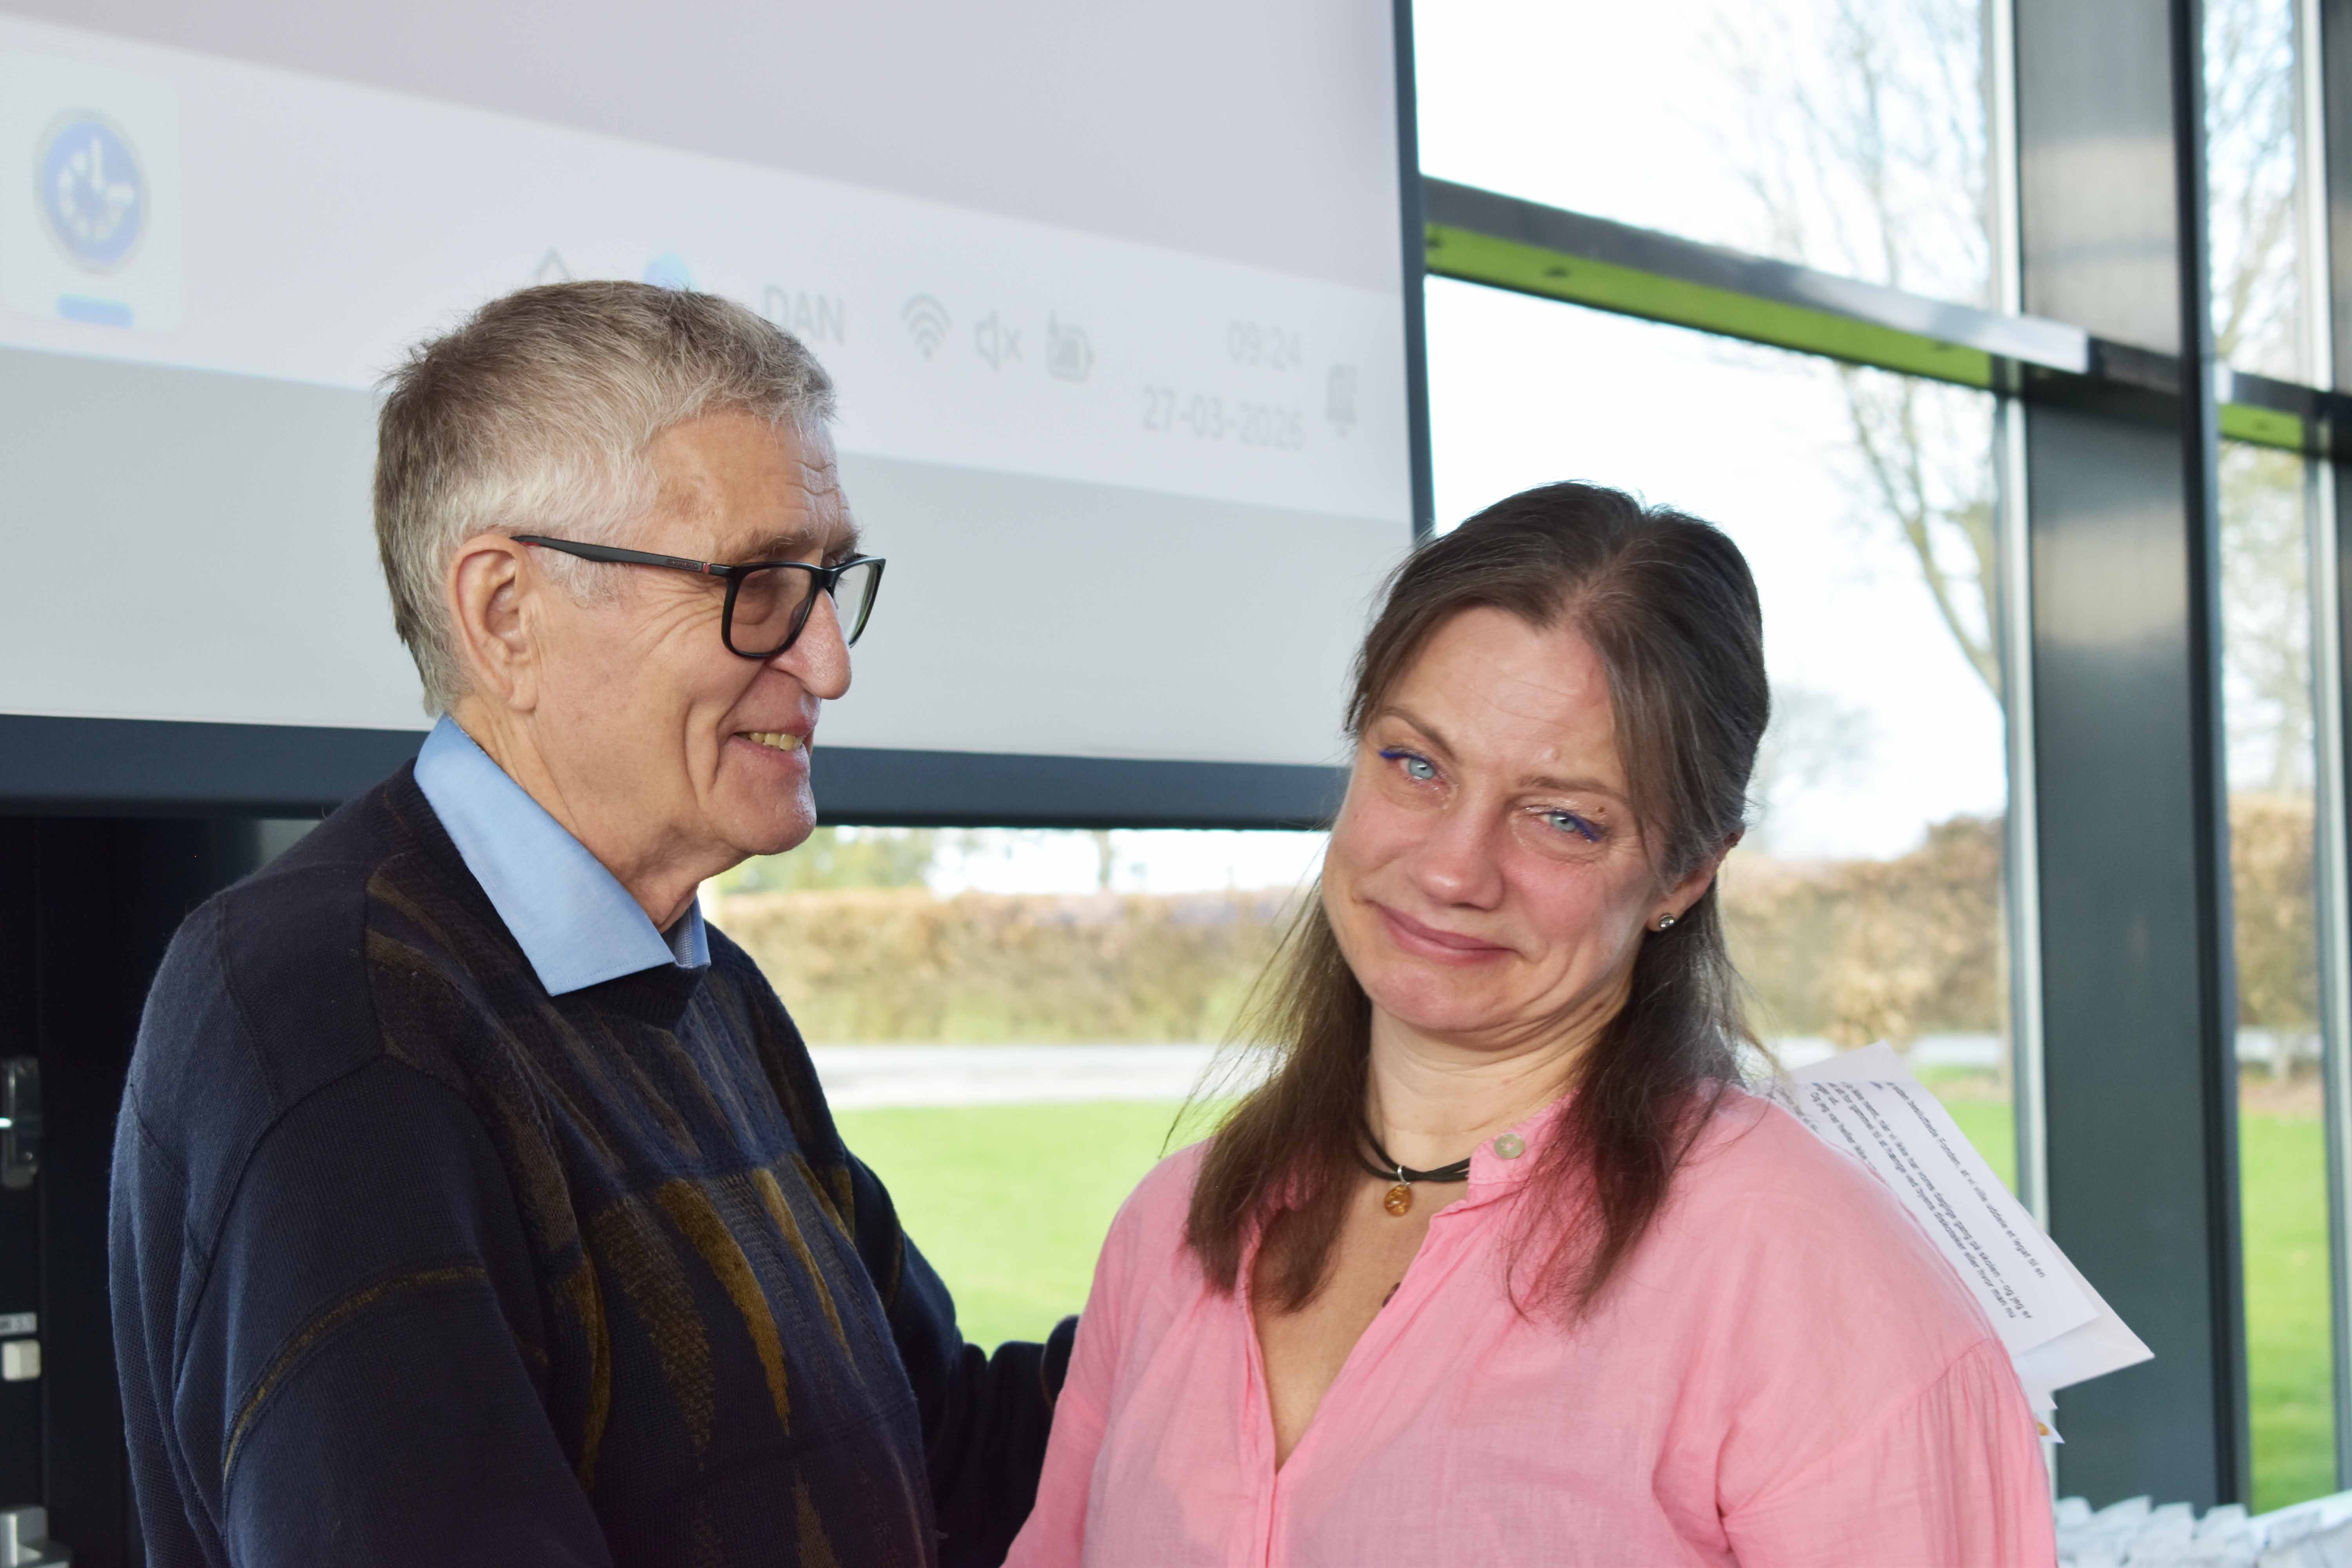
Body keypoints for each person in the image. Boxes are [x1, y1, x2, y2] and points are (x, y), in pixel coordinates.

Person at [110, 281, 1069, 1568]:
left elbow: (939, 1455)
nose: (829, 663)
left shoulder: (706, 991)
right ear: (506, 614)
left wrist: (1305, 1239)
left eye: (830, 581)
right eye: (760, 585)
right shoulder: (328, 1015)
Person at [1007, 484, 2056, 1567]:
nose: (1453, 870)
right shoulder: (1171, 1231)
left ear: (1686, 872)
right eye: (1416, 764)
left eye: (1563, 819)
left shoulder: (1808, 1278)